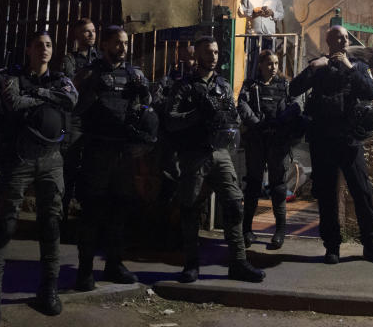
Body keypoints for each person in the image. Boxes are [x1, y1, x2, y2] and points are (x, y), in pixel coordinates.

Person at [0, 31, 77, 327]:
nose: (44, 50)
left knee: (50, 225)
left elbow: (71, 99)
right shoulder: (13, 77)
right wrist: (45, 98)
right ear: (28, 49)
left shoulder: (59, 79)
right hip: (19, 160)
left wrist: (39, 94)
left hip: (51, 160)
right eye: (39, 45)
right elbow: (14, 102)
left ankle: (48, 291)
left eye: (49, 45)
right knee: (4, 226)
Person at [163, 36, 265, 283]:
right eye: (208, 53)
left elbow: (233, 117)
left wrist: (232, 121)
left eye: (216, 53)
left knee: (233, 204)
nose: (213, 57)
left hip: (220, 153)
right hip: (194, 154)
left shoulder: (223, 85)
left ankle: (238, 263)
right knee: (190, 209)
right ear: (197, 55)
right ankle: (191, 264)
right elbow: (170, 120)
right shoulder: (184, 86)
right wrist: (197, 114)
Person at [289, 25, 373, 265]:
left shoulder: (358, 66)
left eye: (345, 38)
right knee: (326, 195)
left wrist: (350, 68)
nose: (343, 41)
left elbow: (370, 92)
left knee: (362, 192)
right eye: (338, 38)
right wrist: (313, 68)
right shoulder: (318, 65)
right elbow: (293, 89)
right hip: (323, 140)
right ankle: (332, 246)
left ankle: (371, 245)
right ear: (329, 41)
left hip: (350, 140)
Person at [72, 25, 157, 290]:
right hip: (98, 151)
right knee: (92, 212)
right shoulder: (89, 73)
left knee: (120, 210)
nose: (122, 48)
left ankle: (114, 264)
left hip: (123, 153)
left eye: (125, 44)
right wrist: (91, 91)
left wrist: (143, 101)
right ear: (105, 45)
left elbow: (147, 107)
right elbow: (74, 109)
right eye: (117, 43)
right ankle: (85, 270)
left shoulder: (134, 74)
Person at [238, 49, 301, 251]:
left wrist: (280, 122)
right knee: (253, 185)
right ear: (261, 65)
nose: (273, 67)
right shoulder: (251, 85)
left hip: (277, 141)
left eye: (275, 63)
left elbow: (296, 106)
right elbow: (242, 105)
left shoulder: (285, 85)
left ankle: (280, 231)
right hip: (257, 140)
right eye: (269, 63)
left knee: (278, 186)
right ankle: (246, 229)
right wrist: (257, 124)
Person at [60, 18, 99, 229]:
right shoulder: (70, 60)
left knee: (93, 171)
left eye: (93, 31)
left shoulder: (101, 58)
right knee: (70, 169)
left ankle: (88, 221)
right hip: (75, 120)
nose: (91, 35)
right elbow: (68, 86)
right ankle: (61, 218)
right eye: (86, 32)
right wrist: (87, 74)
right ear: (77, 35)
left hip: (95, 120)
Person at [238, 0, 284, 78]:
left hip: (269, 38)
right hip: (252, 38)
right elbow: (240, 12)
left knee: (269, 63)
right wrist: (253, 11)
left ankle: (266, 88)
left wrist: (272, 13)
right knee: (252, 64)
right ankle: (251, 86)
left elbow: (281, 14)